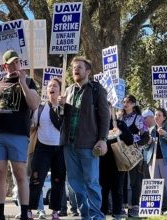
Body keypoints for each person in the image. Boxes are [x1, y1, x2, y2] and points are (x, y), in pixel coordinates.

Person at [0, 50, 40, 220]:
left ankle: (25, 212)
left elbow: (34, 104)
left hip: (19, 134)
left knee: (20, 173)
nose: (15, 65)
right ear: (4, 65)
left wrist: (23, 84)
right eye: (11, 63)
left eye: (18, 62)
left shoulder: (29, 81)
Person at [58, 56, 110, 220]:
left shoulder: (96, 89)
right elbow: (60, 119)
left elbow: (105, 116)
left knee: (91, 182)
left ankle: (96, 216)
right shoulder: (68, 91)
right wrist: (59, 106)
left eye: (79, 67)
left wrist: (102, 138)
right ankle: (85, 215)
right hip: (69, 144)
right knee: (74, 183)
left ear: (87, 71)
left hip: (89, 144)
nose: (75, 70)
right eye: (74, 67)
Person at [28, 78, 65, 220]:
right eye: (49, 86)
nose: (52, 87)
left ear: (60, 90)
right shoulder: (40, 108)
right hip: (42, 149)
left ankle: (55, 211)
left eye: (55, 85)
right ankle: (30, 209)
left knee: (58, 181)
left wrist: (62, 107)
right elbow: (32, 126)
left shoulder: (65, 108)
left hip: (60, 149)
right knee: (36, 180)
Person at [100, 103, 134, 220]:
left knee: (117, 189)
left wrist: (120, 132)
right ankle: (102, 213)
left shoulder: (119, 124)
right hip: (102, 162)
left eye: (108, 108)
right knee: (103, 189)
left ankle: (117, 214)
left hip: (118, 162)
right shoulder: (98, 124)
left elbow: (130, 140)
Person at [144, 108, 167, 215]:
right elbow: (146, 147)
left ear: (164, 117)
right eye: (155, 115)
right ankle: (155, 209)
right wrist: (148, 142)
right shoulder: (151, 129)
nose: (156, 117)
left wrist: (165, 134)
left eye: (159, 115)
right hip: (153, 160)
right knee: (155, 185)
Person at [120, 95, 147, 217]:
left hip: (134, 153)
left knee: (135, 181)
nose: (126, 104)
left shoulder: (138, 118)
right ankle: (121, 205)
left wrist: (137, 144)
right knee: (121, 180)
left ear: (134, 104)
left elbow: (146, 137)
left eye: (129, 102)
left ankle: (135, 206)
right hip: (120, 152)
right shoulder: (119, 117)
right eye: (124, 102)